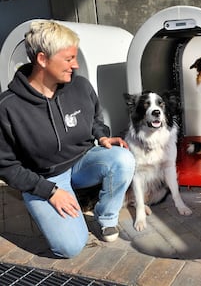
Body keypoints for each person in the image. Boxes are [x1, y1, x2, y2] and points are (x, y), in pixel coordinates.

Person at [0, 20, 135, 258]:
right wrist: (49, 191)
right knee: (69, 247)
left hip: (82, 161)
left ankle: (107, 217)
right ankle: (51, 199)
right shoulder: (8, 107)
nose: (76, 64)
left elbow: (94, 118)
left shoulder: (80, 86)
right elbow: (7, 166)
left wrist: (102, 137)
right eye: (69, 58)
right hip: (44, 177)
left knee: (123, 158)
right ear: (42, 59)